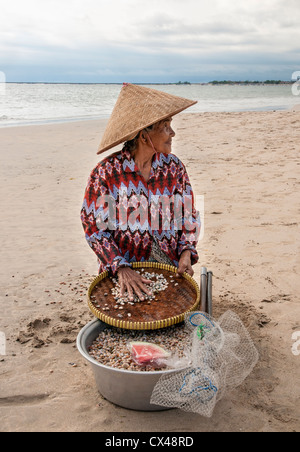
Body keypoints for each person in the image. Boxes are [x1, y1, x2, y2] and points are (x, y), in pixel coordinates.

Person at [81, 83, 200, 301]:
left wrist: (186, 252)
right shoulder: (106, 173)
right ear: (144, 136)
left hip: (169, 266)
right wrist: (120, 267)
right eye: (165, 127)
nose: (172, 133)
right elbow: (94, 228)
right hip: (124, 268)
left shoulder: (174, 168)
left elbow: (189, 215)